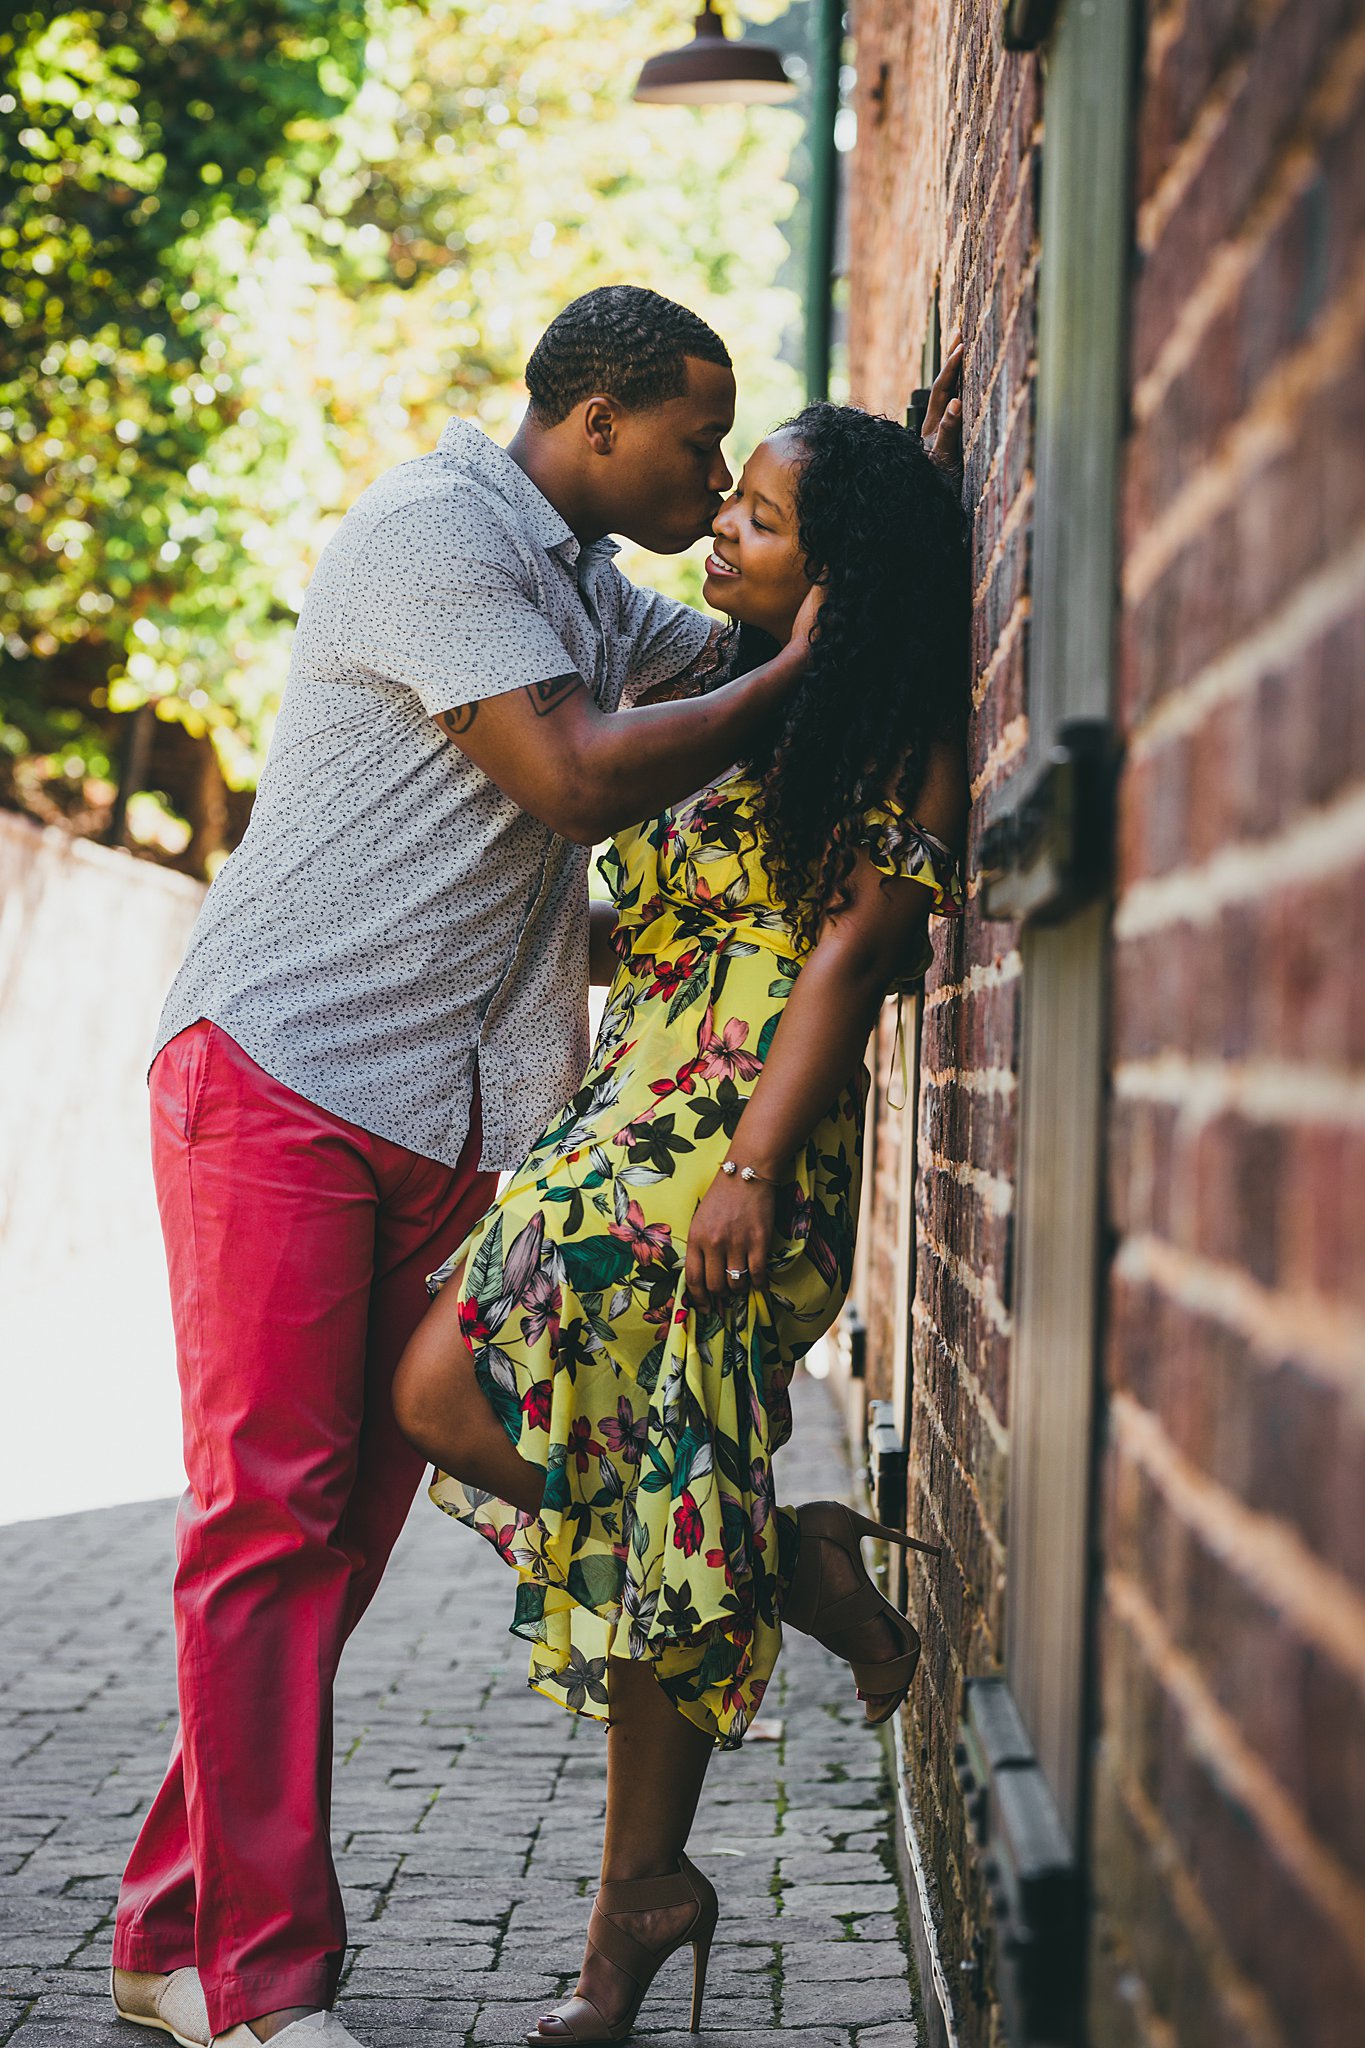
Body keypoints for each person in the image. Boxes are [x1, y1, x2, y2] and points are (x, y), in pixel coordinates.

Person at [110, 286, 899, 2048]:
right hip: (285, 1075)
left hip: (451, 1115)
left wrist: (852, 571)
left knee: (326, 1545)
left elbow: (758, 657)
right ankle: (254, 1991)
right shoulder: (431, 533)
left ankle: (170, 1932)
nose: (712, 480)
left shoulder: (588, 589)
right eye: (700, 440)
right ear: (599, 417)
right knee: (263, 1528)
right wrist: (793, 667)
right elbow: (574, 782)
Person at [391, 392, 971, 2046]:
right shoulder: (723, 693)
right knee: (501, 1422)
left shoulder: (890, 728)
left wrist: (751, 1168)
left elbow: (854, 963)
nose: (718, 518)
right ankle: (778, 1566)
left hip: (729, 1137)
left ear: (839, 577)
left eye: (762, 516)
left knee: (492, 1414)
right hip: (628, 1104)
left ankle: (628, 1914)